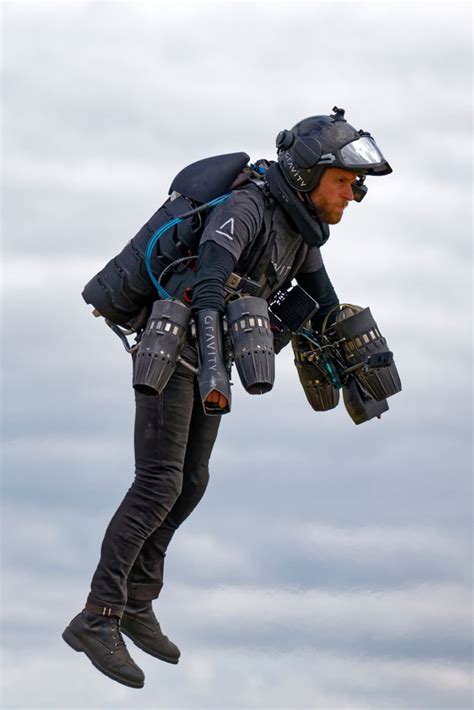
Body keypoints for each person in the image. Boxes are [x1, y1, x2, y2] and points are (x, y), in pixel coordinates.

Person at [62, 107, 392, 689]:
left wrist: (356, 363)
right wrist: (217, 367)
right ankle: (98, 616)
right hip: (173, 353)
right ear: (310, 174)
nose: (353, 194)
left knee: (191, 482)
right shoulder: (248, 208)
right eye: (343, 181)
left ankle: (138, 601)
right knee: (158, 482)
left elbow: (324, 298)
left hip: (204, 364)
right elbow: (211, 282)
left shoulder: (301, 230)